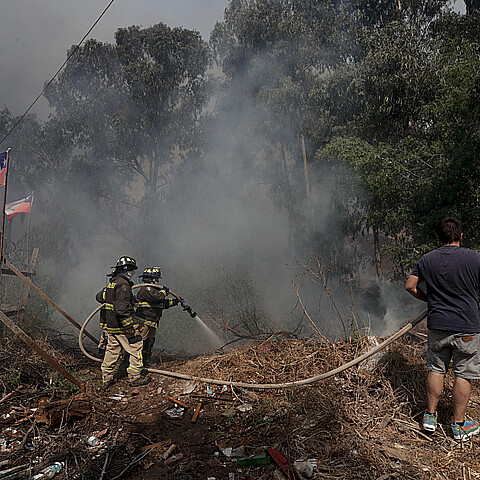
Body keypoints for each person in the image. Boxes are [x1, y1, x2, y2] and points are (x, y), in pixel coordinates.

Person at [405, 217, 480, 441]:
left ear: (438, 238)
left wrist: (428, 299)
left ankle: (430, 417)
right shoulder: (475, 258)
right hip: (467, 326)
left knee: (436, 369)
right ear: (461, 236)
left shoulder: (427, 259)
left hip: (438, 324)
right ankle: (459, 426)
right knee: (463, 374)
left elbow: (410, 286)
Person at [96, 256, 151, 389]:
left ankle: (106, 379)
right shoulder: (124, 285)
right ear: (127, 270)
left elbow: (105, 298)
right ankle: (134, 377)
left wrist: (132, 301)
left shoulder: (113, 283)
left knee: (112, 351)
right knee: (136, 346)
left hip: (112, 325)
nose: (132, 273)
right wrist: (129, 326)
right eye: (132, 270)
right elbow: (121, 309)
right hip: (121, 326)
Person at [135, 266, 180, 365]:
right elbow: (158, 298)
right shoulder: (146, 289)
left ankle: (145, 361)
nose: (158, 282)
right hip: (143, 322)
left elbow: (161, 304)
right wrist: (164, 291)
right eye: (157, 280)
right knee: (139, 343)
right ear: (152, 279)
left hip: (152, 322)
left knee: (149, 342)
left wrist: (175, 301)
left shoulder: (153, 291)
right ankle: (134, 365)